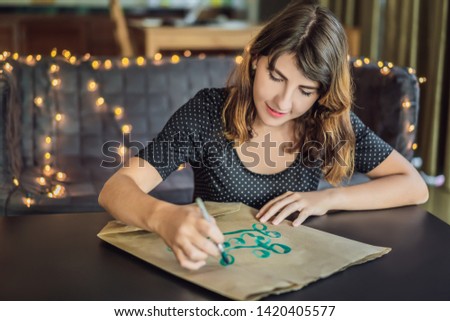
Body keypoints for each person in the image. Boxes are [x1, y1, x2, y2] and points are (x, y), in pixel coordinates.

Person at [98, 1, 428, 270]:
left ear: (322, 93)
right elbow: (115, 190)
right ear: (256, 59)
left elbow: (413, 186)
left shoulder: (326, 122)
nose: (283, 102)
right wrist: (164, 217)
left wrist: (328, 199)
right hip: (215, 270)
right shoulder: (208, 112)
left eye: (305, 89)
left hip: (290, 269)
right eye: (275, 76)